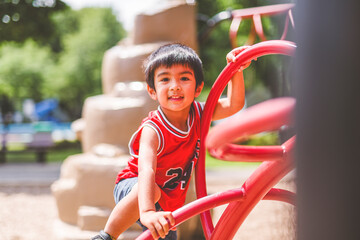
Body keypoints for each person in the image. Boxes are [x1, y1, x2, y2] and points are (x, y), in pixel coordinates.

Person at [92, 43, 251, 240]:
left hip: (166, 204)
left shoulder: (200, 114)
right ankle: (106, 236)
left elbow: (233, 104)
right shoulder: (153, 129)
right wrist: (148, 211)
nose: (175, 85)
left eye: (184, 78)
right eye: (165, 79)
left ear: (198, 88)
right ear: (152, 91)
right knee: (153, 192)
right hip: (134, 188)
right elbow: (146, 170)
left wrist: (235, 69)